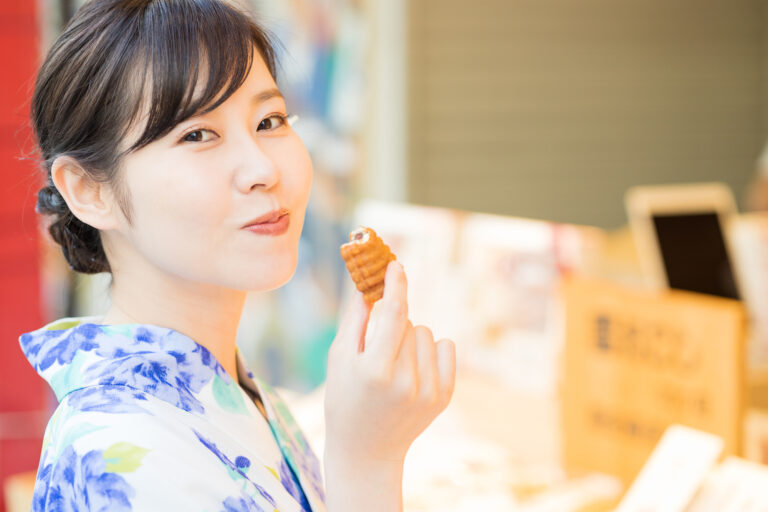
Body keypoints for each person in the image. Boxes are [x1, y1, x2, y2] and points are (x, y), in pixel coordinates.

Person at [18, 1, 456, 510]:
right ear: (91, 190)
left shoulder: (232, 390)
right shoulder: (123, 455)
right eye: (198, 134)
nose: (262, 168)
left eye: (270, 121)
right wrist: (367, 459)